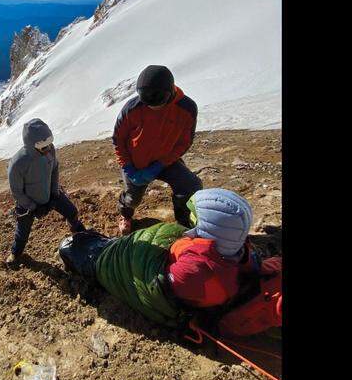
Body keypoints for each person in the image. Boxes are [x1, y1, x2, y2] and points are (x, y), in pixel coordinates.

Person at [112, 64, 203, 235]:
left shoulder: (187, 109)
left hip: (166, 161)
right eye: (146, 99)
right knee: (133, 198)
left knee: (190, 185)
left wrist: (161, 163)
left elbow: (184, 142)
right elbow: (118, 140)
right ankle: (125, 214)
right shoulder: (132, 109)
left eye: (158, 98)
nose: (152, 104)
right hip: (136, 163)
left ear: (171, 91)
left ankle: (183, 222)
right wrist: (127, 167)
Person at [165, 188, 282, 309]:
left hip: (204, 307)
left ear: (207, 227)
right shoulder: (238, 248)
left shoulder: (191, 267)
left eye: (194, 215)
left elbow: (168, 287)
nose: (189, 216)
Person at [6, 118, 85, 266]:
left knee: (72, 211)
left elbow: (54, 168)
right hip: (28, 205)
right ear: (31, 146)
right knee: (22, 232)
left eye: (49, 145)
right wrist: (33, 207)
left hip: (50, 194)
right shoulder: (18, 164)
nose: (48, 149)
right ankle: (15, 253)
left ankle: (78, 231)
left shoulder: (49, 149)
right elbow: (17, 192)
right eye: (43, 148)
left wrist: (54, 194)